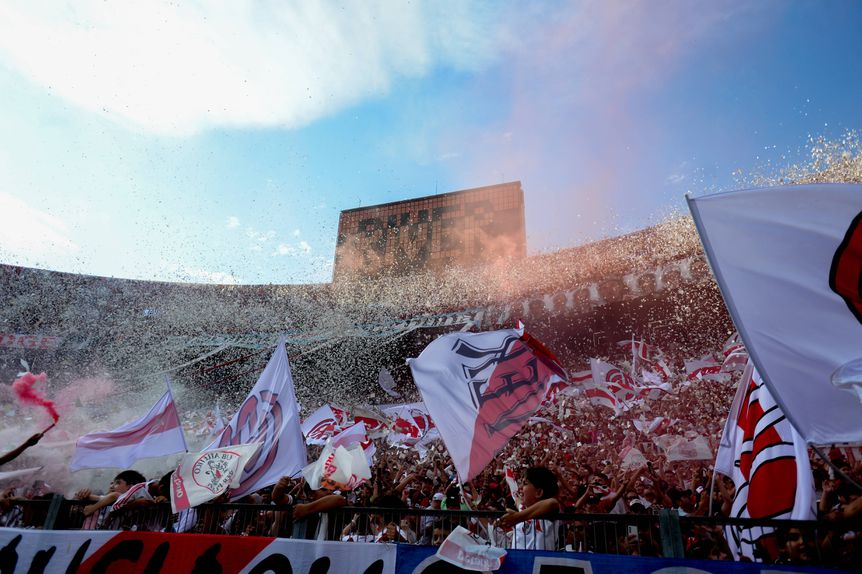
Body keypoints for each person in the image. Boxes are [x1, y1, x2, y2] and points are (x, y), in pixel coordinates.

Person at [498, 467, 561, 550]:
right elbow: (517, 500)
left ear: (539, 492)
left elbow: (552, 503)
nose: (520, 487)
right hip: (518, 562)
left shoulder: (548, 513)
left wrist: (518, 517)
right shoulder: (523, 510)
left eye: (525, 483)